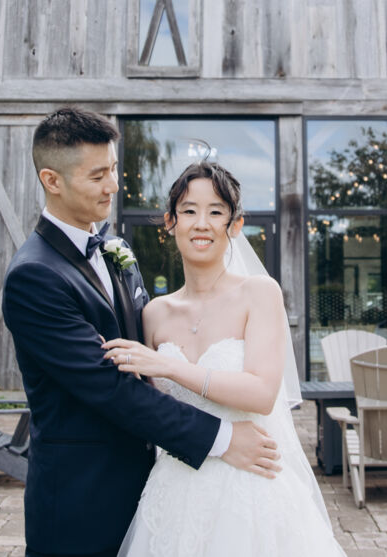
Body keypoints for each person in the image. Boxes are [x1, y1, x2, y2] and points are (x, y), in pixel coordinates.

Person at [1, 107, 282, 557]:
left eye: (113, 169)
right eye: (98, 176)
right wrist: (223, 438)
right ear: (52, 180)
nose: (114, 185)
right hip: (81, 498)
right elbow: (111, 387)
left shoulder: (114, 249)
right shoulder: (34, 276)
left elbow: (146, 364)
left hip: (153, 487)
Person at [102, 161, 347, 557]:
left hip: (251, 488)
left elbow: (262, 393)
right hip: (175, 488)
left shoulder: (259, 293)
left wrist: (170, 366)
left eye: (216, 212)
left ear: (235, 225)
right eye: (189, 211)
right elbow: (150, 409)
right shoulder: (155, 314)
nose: (202, 224)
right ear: (170, 222)